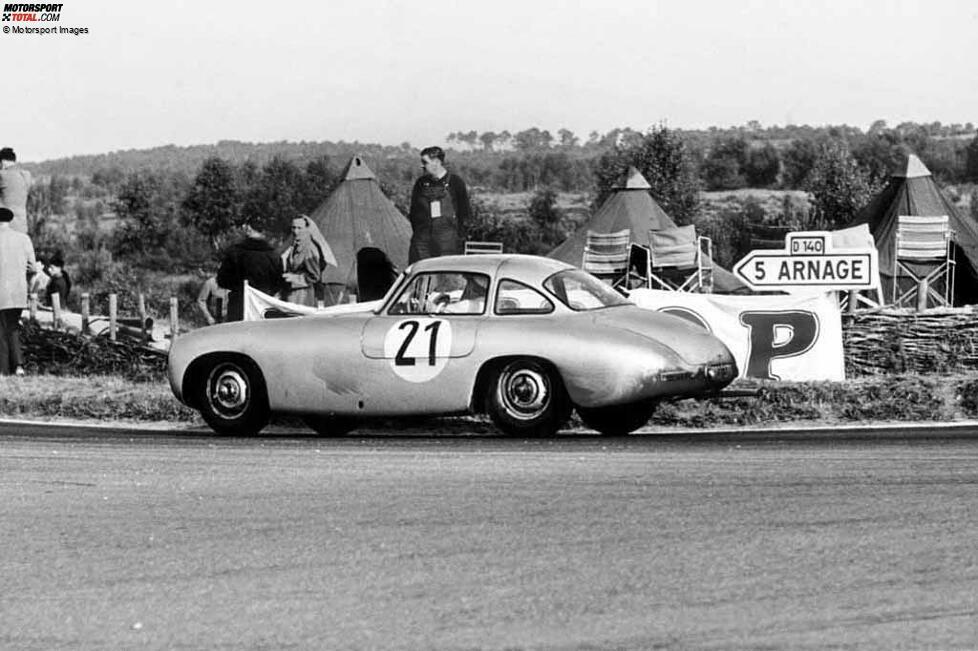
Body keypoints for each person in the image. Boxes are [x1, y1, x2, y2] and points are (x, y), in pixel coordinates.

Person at [408, 146, 472, 263]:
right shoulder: (420, 183)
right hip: (422, 239)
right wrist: (419, 231)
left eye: (425, 162)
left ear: (437, 162)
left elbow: (465, 212)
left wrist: (459, 236)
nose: (422, 166)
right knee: (419, 271)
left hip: (447, 240)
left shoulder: (455, 182)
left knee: (446, 273)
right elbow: (413, 212)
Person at [217, 221, 284, 322]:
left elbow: (222, 280)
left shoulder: (235, 252)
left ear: (248, 229)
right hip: (263, 304)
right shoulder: (273, 255)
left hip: (239, 302)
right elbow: (278, 283)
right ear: (264, 232)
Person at [0, 207, 36, 376]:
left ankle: (4, 369)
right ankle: (18, 366)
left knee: (1, 330)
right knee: (12, 327)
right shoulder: (23, 239)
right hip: (18, 292)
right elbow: (32, 267)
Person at [281, 215, 336, 306]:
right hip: (292, 294)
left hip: (303, 296)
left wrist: (294, 278)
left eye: (299, 228)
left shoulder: (309, 248)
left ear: (307, 229)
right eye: (293, 228)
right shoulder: (296, 246)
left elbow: (314, 276)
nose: (296, 231)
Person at [0, 147, 33, 234]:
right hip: (22, 228)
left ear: (2, 162)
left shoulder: (2, 175)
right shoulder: (26, 175)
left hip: (5, 228)